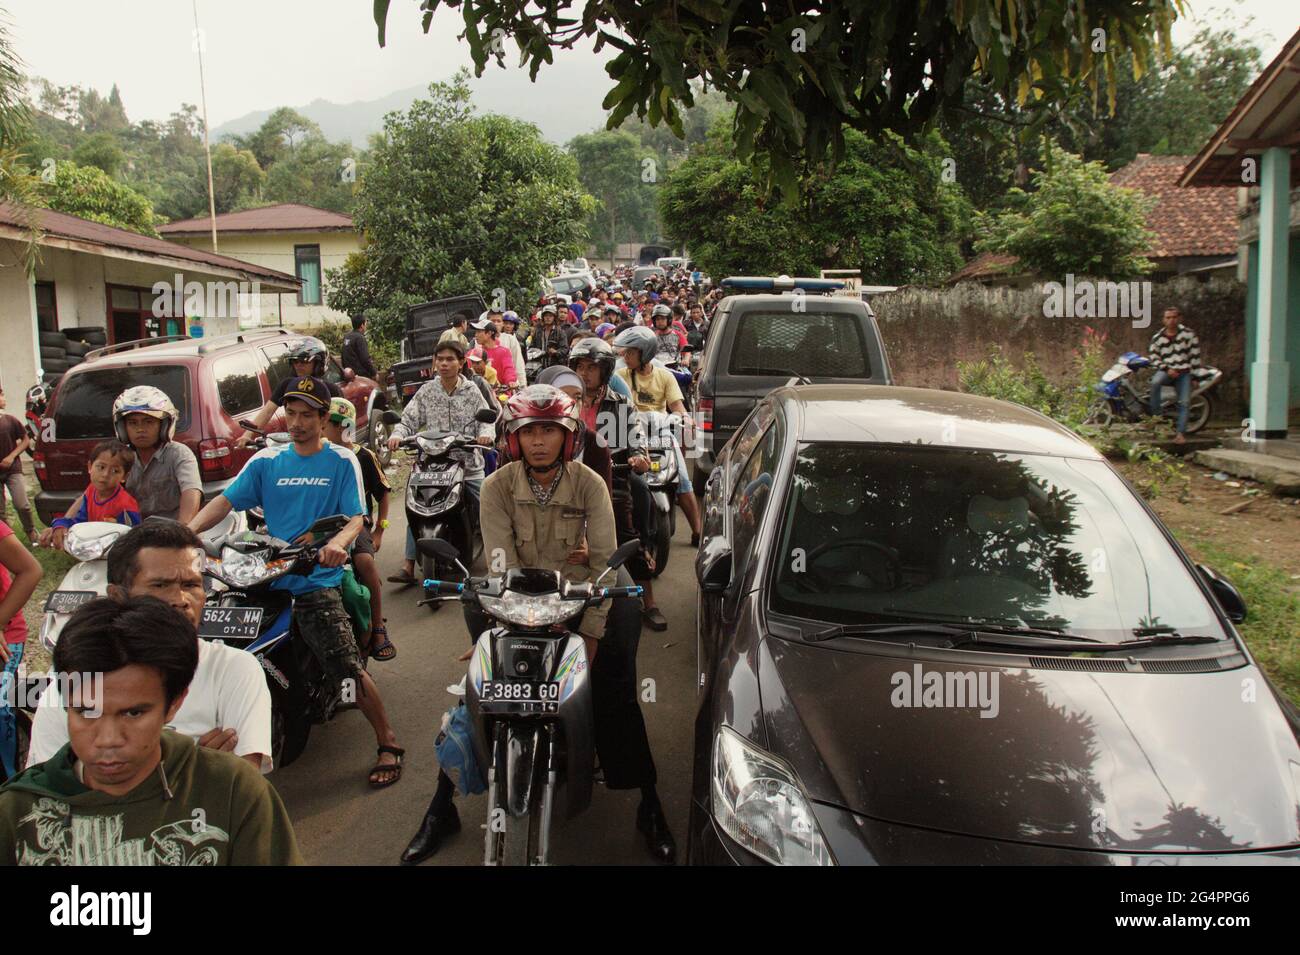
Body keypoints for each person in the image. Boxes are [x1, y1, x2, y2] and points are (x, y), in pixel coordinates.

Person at [400, 385, 675, 864]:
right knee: (484, 690)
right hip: (521, 598)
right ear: (514, 437)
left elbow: (605, 560)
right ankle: (441, 807)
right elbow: (502, 564)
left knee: (614, 692)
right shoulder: (495, 486)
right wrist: (500, 631)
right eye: (529, 431)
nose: (539, 441)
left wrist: (588, 635)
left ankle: (649, 804)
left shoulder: (589, 483)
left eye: (549, 430)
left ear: (568, 437)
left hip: (593, 595)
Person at [189, 376, 405, 787]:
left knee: (344, 664)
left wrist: (337, 545)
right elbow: (224, 502)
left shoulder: (341, 461)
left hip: (312, 576)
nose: (297, 422)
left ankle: (387, 740)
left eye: (308, 415)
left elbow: (355, 517)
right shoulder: (266, 462)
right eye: (291, 413)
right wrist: (185, 532)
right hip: (266, 574)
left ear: (324, 419)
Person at [0, 596, 301, 865]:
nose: (107, 740)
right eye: (84, 711)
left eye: (133, 713)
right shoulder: (16, 812)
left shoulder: (233, 791)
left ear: (173, 704)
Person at [26, 519, 273, 772]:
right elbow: (48, 788)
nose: (181, 600)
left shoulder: (234, 669)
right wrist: (194, 769)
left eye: (191, 585)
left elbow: (242, 780)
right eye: (160, 585)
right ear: (117, 595)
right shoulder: (74, 678)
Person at [567, 337, 664, 626]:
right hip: (566, 478)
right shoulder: (564, 399)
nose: (584, 374)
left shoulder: (619, 403)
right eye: (580, 367)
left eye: (591, 368)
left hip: (610, 477)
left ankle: (649, 601)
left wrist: (637, 456)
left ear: (605, 371)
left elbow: (634, 436)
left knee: (627, 536)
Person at [385, 341, 494, 587]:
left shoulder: (472, 391)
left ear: (461, 363)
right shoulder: (426, 391)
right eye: (440, 359)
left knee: (491, 505)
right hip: (432, 465)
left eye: (450, 359)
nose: (444, 364)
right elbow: (408, 420)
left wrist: (486, 434)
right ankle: (408, 564)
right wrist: (397, 435)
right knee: (417, 504)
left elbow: (486, 420)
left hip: (467, 465)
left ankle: (495, 563)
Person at [612, 326, 703, 550]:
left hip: (661, 433)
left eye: (630, 353)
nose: (626, 357)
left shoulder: (664, 376)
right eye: (625, 353)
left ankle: (698, 531)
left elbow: (676, 406)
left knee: (682, 478)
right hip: (631, 435)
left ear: (645, 352)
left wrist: (686, 418)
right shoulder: (618, 376)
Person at [323, 397, 395, 662]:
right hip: (322, 529)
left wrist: (379, 530)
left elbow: (383, 493)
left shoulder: (363, 456)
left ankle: (377, 627)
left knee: (364, 561)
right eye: (326, 422)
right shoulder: (317, 456)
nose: (327, 429)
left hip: (356, 525)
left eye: (334, 424)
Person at [235, 338, 342, 447]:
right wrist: (247, 435)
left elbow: (339, 426)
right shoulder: (287, 385)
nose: (298, 365)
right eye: (294, 361)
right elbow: (267, 411)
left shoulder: (332, 390)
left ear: (319, 362)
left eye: (304, 360)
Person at [41, 441, 141, 544]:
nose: (105, 474)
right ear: (89, 467)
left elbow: (135, 538)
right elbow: (80, 522)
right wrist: (61, 524)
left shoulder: (125, 506)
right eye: (101, 467)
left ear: (124, 477)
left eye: (115, 471)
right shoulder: (92, 490)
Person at [1148, 307, 1202, 445]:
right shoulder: (1158, 338)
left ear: (1179, 318)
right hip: (1166, 371)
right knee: (1155, 383)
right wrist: (1166, 368)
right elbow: (1153, 357)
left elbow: (1195, 356)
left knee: (1184, 402)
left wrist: (1195, 376)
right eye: (1168, 317)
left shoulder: (1189, 335)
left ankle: (1180, 433)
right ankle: (1156, 418)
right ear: (1163, 320)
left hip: (1184, 372)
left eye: (1174, 317)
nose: (1171, 320)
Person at [0, 388, 34, 541]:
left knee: (22, 505)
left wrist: (11, 456)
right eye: (0, 395)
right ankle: (9, 541)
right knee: (0, 513)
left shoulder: (10, 420)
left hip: (13, 469)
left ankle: (31, 532)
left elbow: (25, 440)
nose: (3, 398)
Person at [471, 315, 518, 388]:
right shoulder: (475, 352)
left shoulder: (503, 351)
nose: (476, 335)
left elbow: (508, 368)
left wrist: (511, 381)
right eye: (476, 332)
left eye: (479, 332)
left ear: (489, 333)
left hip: (499, 393)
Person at [489, 307, 527, 387]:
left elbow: (518, 364)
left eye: (498, 321)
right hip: (487, 386)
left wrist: (523, 386)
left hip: (507, 387)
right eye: (493, 321)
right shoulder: (479, 340)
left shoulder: (511, 339)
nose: (495, 324)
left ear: (502, 323)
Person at [529, 304, 570, 370]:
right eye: (546, 316)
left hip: (555, 366)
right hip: (539, 366)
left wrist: (556, 352)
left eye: (550, 316)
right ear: (543, 317)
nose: (548, 318)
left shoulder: (560, 332)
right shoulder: (538, 332)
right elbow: (532, 347)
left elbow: (565, 349)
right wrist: (536, 352)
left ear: (554, 317)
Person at [342, 313, 378, 381]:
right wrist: (374, 373)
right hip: (361, 377)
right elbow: (365, 359)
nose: (366, 326)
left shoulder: (347, 336)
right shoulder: (359, 338)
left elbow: (343, 357)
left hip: (349, 376)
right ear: (362, 325)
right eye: (365, 323)